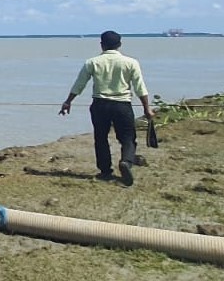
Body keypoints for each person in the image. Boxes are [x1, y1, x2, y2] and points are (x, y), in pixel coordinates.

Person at [59, 30, 154, 186]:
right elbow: (140, 88)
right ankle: (126, 161)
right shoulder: (131, 62)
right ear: (120, 45)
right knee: (128, 138)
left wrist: (68, 101)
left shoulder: (92, 62)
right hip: (122, 105)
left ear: (102, 45)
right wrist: (147, 108)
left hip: (100, 105)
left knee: (101, 138)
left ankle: (105, 171)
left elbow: (79, 84)